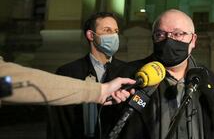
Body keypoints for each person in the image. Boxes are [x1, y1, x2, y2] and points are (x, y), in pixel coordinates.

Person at [111, 9, 214, 139]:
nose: (169, 40)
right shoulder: (130, 75)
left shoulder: (208, 79)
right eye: (160, 35)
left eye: (178, 34)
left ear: (193, 40)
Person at [46, 12, 131, 139]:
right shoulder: (68, 72)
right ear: (91, 35)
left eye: (116, 31)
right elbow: (58, 131)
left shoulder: (128, 73)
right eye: (107, 30)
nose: (114, 36)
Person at [0, 56, 134, 105]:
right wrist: (101, 91)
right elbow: (11, 82)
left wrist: (101, 91)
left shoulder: (125, 68)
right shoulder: (68, 70)